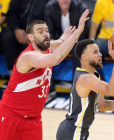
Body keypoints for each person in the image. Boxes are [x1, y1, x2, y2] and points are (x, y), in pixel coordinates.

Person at [0, 9, 90, 140]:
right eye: (40, 32)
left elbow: (54, 43)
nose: (46, 34)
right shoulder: (28, 56)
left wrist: (62, 40)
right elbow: (55, 59)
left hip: (34, 118)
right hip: (12, 116)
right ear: (30, 37)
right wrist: (76, 34)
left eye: (46, 31)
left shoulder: (44, 48)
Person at [56, 39, 114, 140]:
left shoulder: (93, 76)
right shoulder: (86, 78)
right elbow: (113, 91)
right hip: (73, 132)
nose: (100, 54)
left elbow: (102, 105)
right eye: (95, 52)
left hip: (76, 131)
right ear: (84, 57)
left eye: (99, 51)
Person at [44, 0, 91, 76]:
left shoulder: (81, 8)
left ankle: (76, 85)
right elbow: (50, 31)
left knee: (78, 51)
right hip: (59, 39)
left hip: (76, 40)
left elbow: (82, 34)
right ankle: (49, 85)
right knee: (47, 49)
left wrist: (66, 43)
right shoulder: (50, 7)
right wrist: (54, 43)